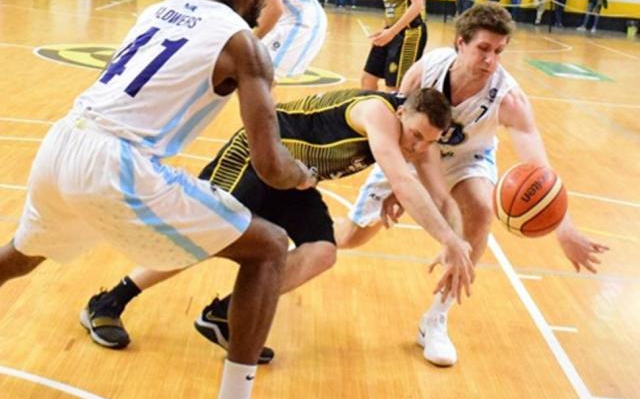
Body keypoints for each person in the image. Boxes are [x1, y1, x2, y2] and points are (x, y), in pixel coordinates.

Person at [0, 0, 317, 399]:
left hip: (63, 141)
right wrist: (303, 175)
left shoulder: (162, 9)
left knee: (21, 253)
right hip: (116, 164)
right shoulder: (245, 47)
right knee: (268, 247)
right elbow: (270, 165)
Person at [81, 87, 474, 358]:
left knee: (322, 251)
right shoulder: (378, 113)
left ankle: (227, 315)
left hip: (295, 179)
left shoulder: (416, 136)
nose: (418, 147)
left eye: (428, 142)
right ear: (402, 112)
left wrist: (457, 241)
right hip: (260, 154)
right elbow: (404, 181)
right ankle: (110, 300)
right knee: (202, 236)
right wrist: (446, 238)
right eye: (416, 135)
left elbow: (441, 196)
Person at [337, 3, 608, 367]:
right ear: (460, 43)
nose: (491, 60)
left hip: (469, 160)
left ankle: (436, 318)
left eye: (499, 51)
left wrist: (565, 229)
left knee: (481, 209)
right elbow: (400, 123)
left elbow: (539, 170)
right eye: (483, 48)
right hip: (416, 150)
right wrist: (402, 184)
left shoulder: (508, 98)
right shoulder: (427, 69)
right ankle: (305, 236)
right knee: (351, 237)